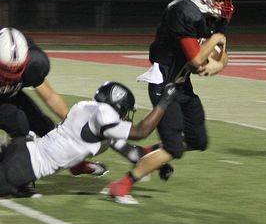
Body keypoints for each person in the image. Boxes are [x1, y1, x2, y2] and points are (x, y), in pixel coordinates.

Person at [104, 0, 235, 204]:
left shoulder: (210, 16)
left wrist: (219, 65)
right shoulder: (183, 12)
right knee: (174, 148)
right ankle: (121, 186)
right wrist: (215, 43)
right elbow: (196, 62)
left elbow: (223, 52)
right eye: (218, 0)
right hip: (164, 85)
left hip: (182, 85)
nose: (223, 6)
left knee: (198, 141)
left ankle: (146, 154)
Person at [0, 80, 177, 202]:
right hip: (23, 165)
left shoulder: (86, 107)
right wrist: (164, 102)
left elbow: (131, 152)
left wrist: (157, 161)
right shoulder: (104, 117)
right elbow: (141, 131)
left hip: (24, 149)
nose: (125, 115)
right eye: (125, 110)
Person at [0, 27, 104, 181]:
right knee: (19, 125)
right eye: (5, 70)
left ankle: (76, 165)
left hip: (11, 96)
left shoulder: (33, 65)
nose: (11, 77)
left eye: (16, 71)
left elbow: (49, 96)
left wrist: (73, 122)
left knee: (47, 128)